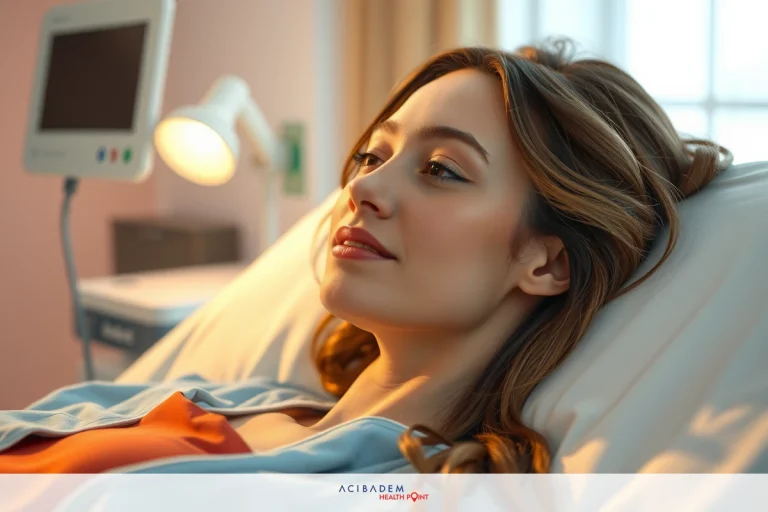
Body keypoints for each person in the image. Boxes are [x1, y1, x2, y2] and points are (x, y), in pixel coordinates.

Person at [0, 39, 731, 475]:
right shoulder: (218, 397)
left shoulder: (380, 488)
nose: (363, 187)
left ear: (547, 264)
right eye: (372, 155)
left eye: (442, 169)